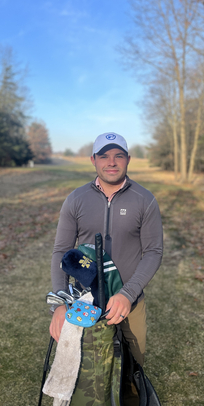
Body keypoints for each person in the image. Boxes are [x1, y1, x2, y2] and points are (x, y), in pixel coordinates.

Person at [49, 132, 163, 366]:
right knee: (86, 372)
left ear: (128, 159)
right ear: (94, 160)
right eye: (104, 156)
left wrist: (127, 294)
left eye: (118, 156)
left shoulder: (145, 199)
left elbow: (153, 251)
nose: (111, 162)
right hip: (84, 302)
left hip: (129, 303)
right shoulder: (75, 199)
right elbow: (61, 251)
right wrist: (62, 302)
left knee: (132, 368)